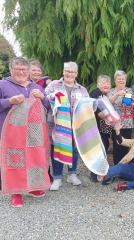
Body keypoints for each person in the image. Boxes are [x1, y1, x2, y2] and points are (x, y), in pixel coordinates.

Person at [0, 57, 50, 207]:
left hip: (34, 133)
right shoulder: (3, 85)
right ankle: (16, 193)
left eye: (24, 69)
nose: (21, 72)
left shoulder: (36, 87)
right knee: (16, 160)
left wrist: (43, 97)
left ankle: (33, 187)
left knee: (35, 159)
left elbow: (48, 106)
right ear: (11, 70)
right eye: (17, 69)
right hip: (12, 132)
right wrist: (9, 101)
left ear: (28, 71)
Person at [45, 61, 89, 191]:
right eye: (67, 71)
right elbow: (44, 99)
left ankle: (72, 174)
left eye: (73, 72)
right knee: (57, 149)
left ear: (76, 74)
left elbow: (87, 105)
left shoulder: (82, 89)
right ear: (63, 72)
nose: (70, 74)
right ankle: (57, 178)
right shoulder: (54, 85)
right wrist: (53, 96)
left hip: (76, 126)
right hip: (57, 125)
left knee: (74, 149)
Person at [108, 70, 134, 165]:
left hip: (127, 123)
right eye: (119, 79)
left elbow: (131, 105)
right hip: (115, 124)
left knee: (125, 146)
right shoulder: (111, 91)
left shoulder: (129, 90)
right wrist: (117, 94)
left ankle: (124, 168)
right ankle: (117, 167)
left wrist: (129, 101)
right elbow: (108, 103)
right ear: (115, 80)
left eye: (123, 79)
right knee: (116, 146)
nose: (121, 80)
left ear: (125, 80)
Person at [89, 75, 113, 182]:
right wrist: (101, 113)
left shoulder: (105, 95)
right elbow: (97, 110)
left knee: (105, 145)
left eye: (108, 83)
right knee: (99, 149)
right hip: (95, 126)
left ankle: (100, 171)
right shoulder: (95, 93)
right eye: (103, 83)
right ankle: (95, 173)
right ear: (98, 84)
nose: (106, 85)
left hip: (103, 127)